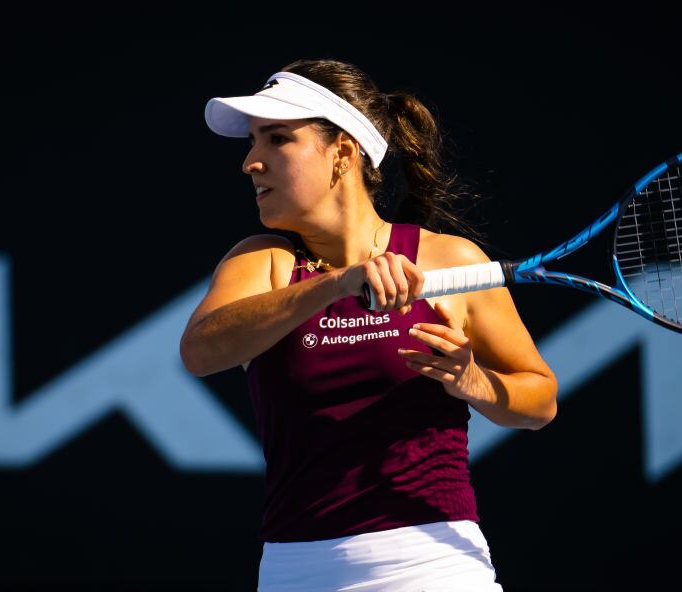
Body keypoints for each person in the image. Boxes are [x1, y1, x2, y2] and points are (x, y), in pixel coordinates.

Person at [180, 59, 558, 591]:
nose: (250, 162)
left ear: (343, 152)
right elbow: (200, 351)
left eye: (276, 140)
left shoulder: (449, 261)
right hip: (295, 570)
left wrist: (474, 383)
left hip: (435, 566)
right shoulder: (261, 261)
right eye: (252, 142)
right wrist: (335, 284)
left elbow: (540, 401)